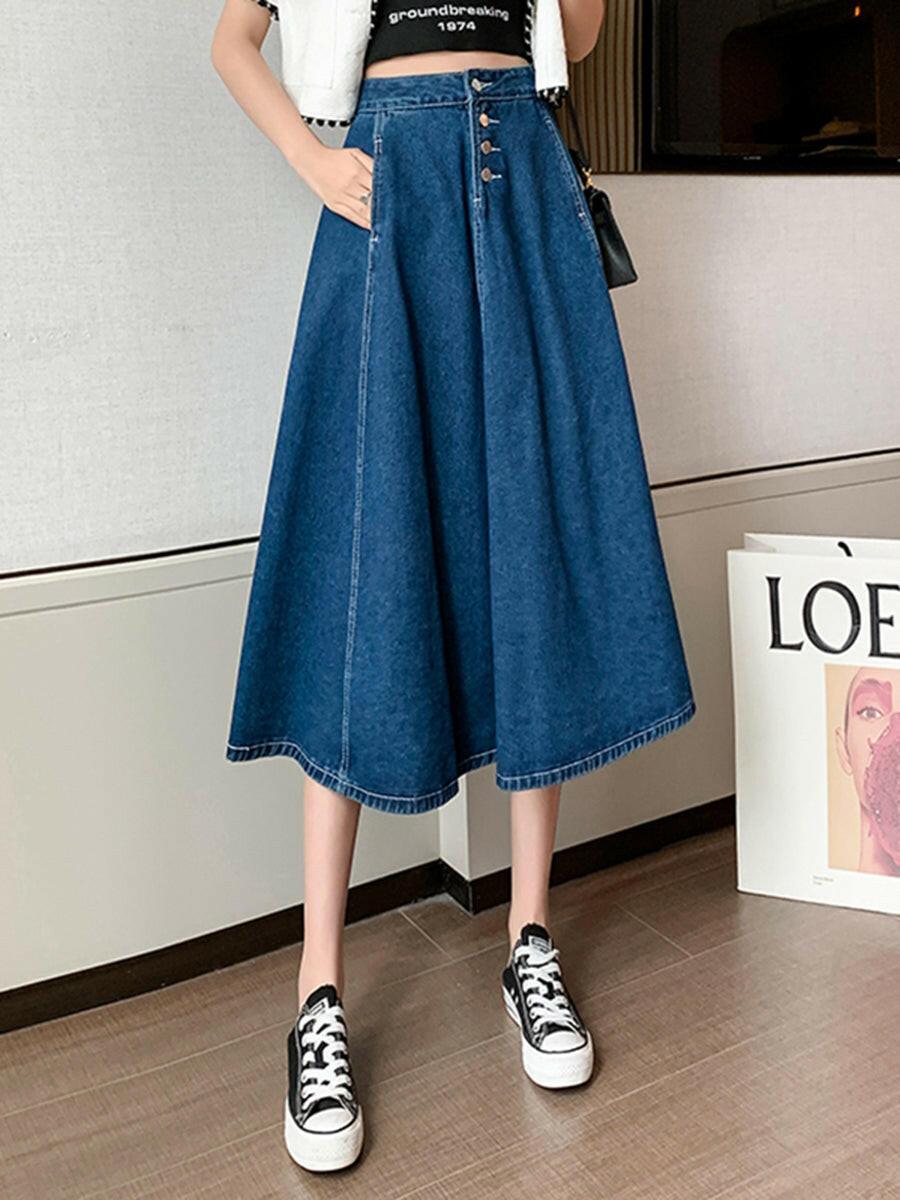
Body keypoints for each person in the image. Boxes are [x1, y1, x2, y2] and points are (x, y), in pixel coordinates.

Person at [211, 0, 696, 1173]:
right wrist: (311, 160)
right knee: (360, 551)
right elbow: (232, 38)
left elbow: (578, 38)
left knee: (534, 546)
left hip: (520, 168)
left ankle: (530, 937)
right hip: (389, 184)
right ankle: (318, 988)